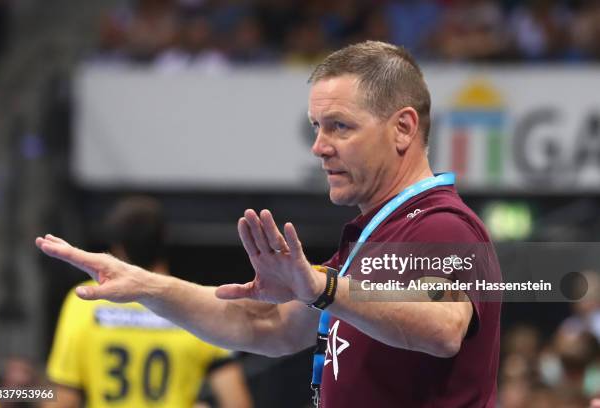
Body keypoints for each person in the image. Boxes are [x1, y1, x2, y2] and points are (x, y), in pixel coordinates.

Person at [36, 41, 501, 407]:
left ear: (403, 128)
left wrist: (323, 288)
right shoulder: (372, 238)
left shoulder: (442, 226)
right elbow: (267, 326)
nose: (319, 146)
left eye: (339, 126)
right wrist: (147, 286)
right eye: (316, 126)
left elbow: (443, 327)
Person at [42, 197, 252, 408]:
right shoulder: (196, 303)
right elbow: (236, 402)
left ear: (117, 246)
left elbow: (64, 398)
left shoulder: (84, 301)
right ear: (164, 238)